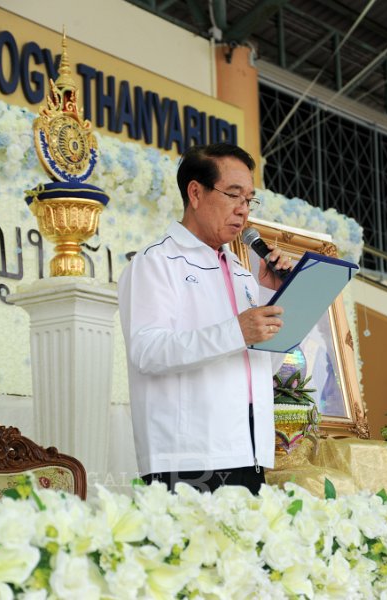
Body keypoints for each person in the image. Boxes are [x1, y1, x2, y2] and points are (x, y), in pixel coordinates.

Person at [118, 143, 292, 494]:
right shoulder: (156, 263)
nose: (243, 211)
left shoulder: (244, 274)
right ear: (195, 193)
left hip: (249, 452)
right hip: (188, 459)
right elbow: (148, 351)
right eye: (233, 195)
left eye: (249, 200)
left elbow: (262, 367)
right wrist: (237, 331)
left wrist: (275, 296)